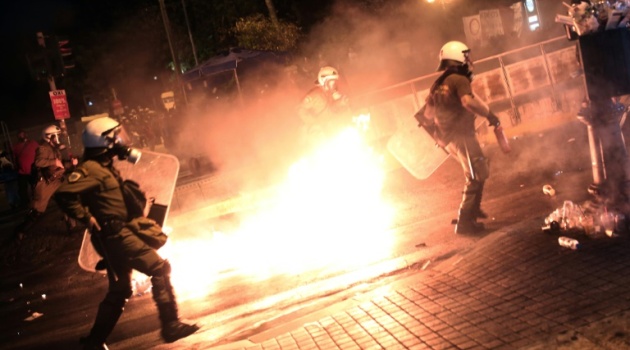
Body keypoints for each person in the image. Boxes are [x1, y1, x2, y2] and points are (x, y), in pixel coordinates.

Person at [54, 117, 198, 349]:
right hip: (116, 235)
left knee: (120, 290)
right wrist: (87, 217)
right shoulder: (90, 169)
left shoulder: (104, 167)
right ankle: (170, 325)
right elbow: (63, 194)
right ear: (105, 140)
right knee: (159, 269)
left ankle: (94, 342)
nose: (121, 140)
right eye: (116, 136)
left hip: (115, 235)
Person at [416, 41, 502, 234]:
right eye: (466, 55)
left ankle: (472, 210)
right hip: (461, 135)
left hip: (449, 138)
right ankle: (465, 220)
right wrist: (489, 115)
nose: (469, 60)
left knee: (477, 168)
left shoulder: (438, 84)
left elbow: (428, 115)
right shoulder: (458, 79)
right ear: (458, 57)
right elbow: (468, 101)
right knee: (476, 173)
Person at [13, 125, 69, 238]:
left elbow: (60, 164)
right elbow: (39, 162)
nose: (58, 139)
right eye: (56, 136)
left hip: (56, 181)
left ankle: (71, 227)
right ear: (49, 137)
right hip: (45, 184)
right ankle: (21, 230)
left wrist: (71, 163)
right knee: (37, 211)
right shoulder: (43, 148)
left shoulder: (54, 148)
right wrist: (54, 162)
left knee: (67, 202)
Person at [297, 66, 352, 145]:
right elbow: (300, 109)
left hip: (326, 129)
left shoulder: (328, 94)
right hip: (314, 133)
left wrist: (341, 102)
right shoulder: (316, 94)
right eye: (332, 82)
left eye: (334, 82)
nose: (334, 84)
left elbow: (330, 110)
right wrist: (314, 123)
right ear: (324, 81)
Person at [12, 129, 39, 208]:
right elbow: (15, 158)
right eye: (19, 135)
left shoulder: (33, 143)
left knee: (35, 187)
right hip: (22, 171)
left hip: (33, 170)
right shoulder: (16, 146)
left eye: (22, 134)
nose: (21, 136)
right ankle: (25, 203)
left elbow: (39, 153)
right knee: (22, 189)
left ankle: (37, 201)